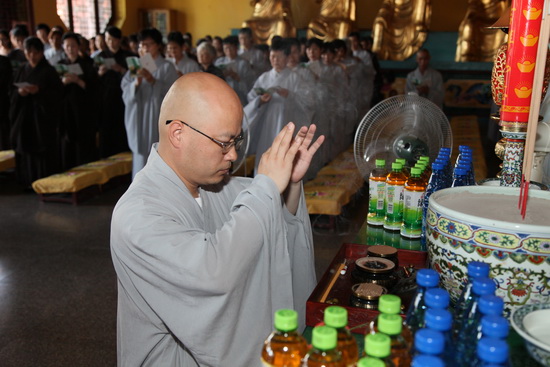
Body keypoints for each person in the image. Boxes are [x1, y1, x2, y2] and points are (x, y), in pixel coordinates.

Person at [111, 72, 323, 366]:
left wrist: (290, 183)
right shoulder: (137, 215)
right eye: (224, 142)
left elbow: (267, 212)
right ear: (178, 134)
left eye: (236, 140)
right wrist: (267, 186)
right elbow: (211, 275)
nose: (233, 155)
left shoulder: (214, 186)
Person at [245, 39, 315, 171]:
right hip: (267, 125)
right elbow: (251, 96)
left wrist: (290, 95)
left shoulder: (295, 78)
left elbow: (309, 101)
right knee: (266, 154)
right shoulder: (264, 77)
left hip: (287, 122)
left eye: (279, 57)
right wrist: (260, 100)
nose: (275, 60)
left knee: (286, 158)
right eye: (272, 57)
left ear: (287, 57)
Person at [121, 27, 178, 177]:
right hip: (139, 119)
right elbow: (125, 88)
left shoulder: (166, 67)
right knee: (140, 162)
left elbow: (174, 94)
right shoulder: (136, 65)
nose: (144, 48)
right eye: (141, 45)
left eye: (148, 44)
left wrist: (153, 81)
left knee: (158, 159)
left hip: (156, 120)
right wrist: (136, 83)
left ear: (158, 45)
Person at [9, 37, 63, 187]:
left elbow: (57, 95)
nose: (32, 55)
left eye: (35, 52)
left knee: (43, 149)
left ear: (41, 53)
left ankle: (45, 182)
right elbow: (11, 93)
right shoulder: (21, 70)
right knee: (24, 148)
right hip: (24, 117)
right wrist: (20, 93)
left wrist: (39, 91)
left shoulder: (49, 71)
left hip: (41, 118)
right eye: (28, 52)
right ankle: (26, 182)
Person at [58, 32, 99, 169]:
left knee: (85, 143)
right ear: (63, 47)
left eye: (73, 46)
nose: (70, 49)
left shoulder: (88, 64)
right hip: (66, 111)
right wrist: (64, 82)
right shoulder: (60, 65)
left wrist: (78, 81)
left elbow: (95, 88)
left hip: (83, 111)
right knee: (67, 143)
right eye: (67, 46)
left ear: (78, 47)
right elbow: (53, 90)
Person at [96, 26, 133, 158]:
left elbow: (134, 76)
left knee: (121, 127)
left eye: (113, 39)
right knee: (106, 128)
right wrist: (100, 73)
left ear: (119, 40)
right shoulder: (101, 56)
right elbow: (93, 79)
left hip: (122, 96)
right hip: (106, 96)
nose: (110, 42)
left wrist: (121, 70)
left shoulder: (128, 56)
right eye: (107, 39)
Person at [215, 35, 254, 106]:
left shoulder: (244, 63)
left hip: (239, 97)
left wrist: (237, 78)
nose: (229, 51)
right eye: (226, 49)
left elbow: (250, 83)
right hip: (223, 96)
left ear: (236, 48)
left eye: (231, 48)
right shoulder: (219, 62)